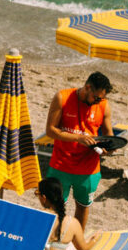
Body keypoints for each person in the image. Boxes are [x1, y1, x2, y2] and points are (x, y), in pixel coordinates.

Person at [44, 71, 113, 229]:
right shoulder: (62, 97)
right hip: (61, 165)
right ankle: (51, 241)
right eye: (96, 98)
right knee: (54, 208)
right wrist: (77, 138)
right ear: (87, 87)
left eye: (101, 99)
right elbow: (50, 130)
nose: (98, 101)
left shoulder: (103, 104)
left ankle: (77, 241)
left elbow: (109, 135)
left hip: (89, 169)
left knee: (82, 207)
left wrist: (109, 147)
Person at [35, 176, 100, 250]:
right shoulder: (71, 223)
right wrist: (95, 239)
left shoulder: (33, 218)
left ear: (44, 198)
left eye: (37, 193)